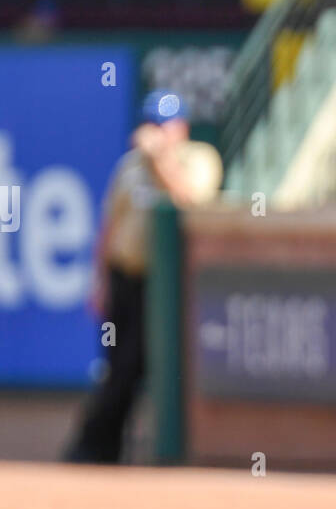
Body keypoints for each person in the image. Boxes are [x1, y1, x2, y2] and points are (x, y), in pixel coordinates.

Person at [63, 91, 222, 464]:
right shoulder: (130, 165)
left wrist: (161, 161)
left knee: (148, 365)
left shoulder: (198, 159)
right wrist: (99, 280)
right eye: (150, 123)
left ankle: (149, 450)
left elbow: (191, 203)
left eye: (162, 125)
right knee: (118, 365)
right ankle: (101, 447)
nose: (155, 132)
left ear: (180, 128)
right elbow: (110, 225)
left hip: (165, 287)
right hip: (124, 279)